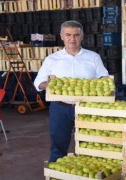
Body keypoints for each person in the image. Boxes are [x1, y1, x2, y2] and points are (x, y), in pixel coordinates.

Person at [34, 20, 109, 162]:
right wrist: (48, 85)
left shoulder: (93, 57)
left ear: (82, 37)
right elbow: (38, 83)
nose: (72, 39)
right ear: (62, 36)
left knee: (90, 144)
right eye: (68, 35)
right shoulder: (52, 59)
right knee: (58, 145)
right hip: (60, 108)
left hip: (87, 108)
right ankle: (56, 174)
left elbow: (104, 77)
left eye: (76, 35)